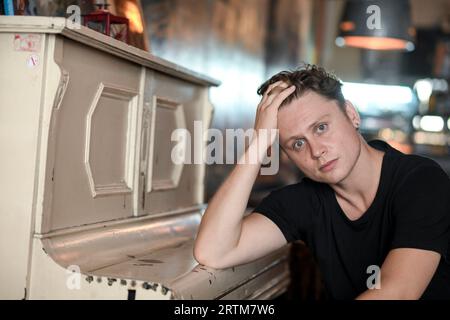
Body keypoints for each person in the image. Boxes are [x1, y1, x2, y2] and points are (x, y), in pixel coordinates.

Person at [193, 64, 450, 300]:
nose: (316, 151)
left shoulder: (420, 180)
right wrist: (259, 143)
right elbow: (214, 250)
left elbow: (399, 292)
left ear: (351, 114)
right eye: (298, 143)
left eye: (321, 128)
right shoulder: (304, 201)